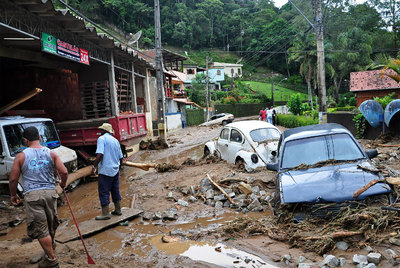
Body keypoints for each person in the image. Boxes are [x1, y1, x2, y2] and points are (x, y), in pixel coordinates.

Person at [9, 126, 68, 268]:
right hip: (50, 192)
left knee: (41, 228)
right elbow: (64, 171)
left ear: (25, 140)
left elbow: (13, 179)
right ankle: (50, 249)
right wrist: (63, 184)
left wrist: (13, 194)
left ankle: (52, 259)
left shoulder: (21, 156)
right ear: (40, 138)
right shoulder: (51, 153)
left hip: (33, 195)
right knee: (50, 224)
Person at [92, 123, 123, 220]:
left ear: (104, 131)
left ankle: (105, 214)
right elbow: (121, 158)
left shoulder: (101, 139)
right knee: (115, 189)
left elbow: (100, 154)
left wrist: (94, 166)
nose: (100, 132)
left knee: (104, 191)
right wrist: (119, 168)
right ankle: (118, 210)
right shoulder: (115, 141)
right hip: (115, 170)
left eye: (101, 130)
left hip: (105, 170)